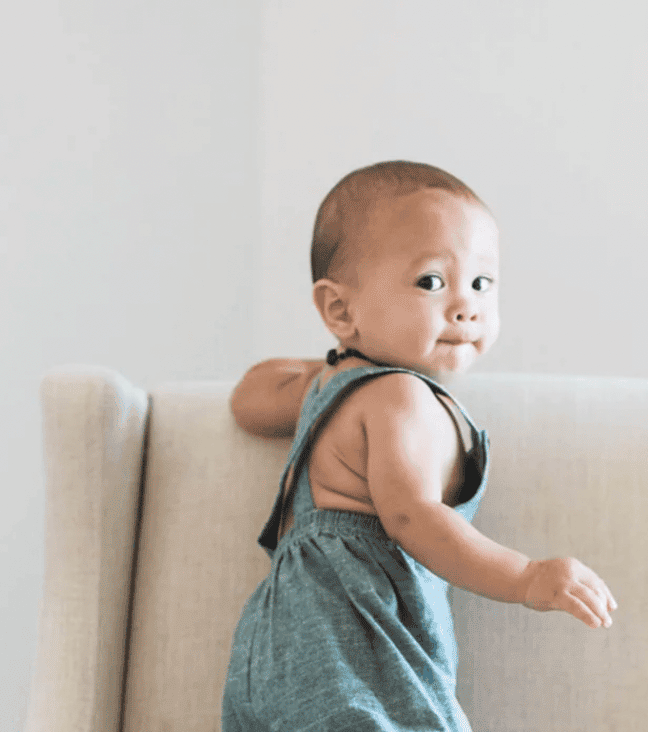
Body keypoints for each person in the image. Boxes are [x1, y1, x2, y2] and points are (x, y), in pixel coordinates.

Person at [221, 160, 617, 731]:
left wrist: (336, 363)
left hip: (275, 641)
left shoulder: (338, 384)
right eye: (431, 281)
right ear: (339, 309)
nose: (466, 305)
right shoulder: (398, 395)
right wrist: (526, 577)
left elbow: (249, 400)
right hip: (351, 642)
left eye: (482, 283)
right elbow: (412, 516)